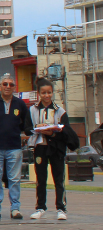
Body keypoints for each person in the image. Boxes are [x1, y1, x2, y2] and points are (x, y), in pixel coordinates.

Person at [0, 73, 32, 220]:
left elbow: (25, 122)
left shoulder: (20, 104)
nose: (8, 87)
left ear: (14, 87)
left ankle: (15, 208)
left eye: (11, 84)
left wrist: (15, 130)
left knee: (14, 179)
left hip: (14, 146)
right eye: (5, 84)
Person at [28, 78, 73, 221]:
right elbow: (27, 128)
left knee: (58, 179)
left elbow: (66, 131)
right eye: (43, 93)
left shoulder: (60, 111)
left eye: (49, 92)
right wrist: (37, 127)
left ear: (52, 93)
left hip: (56, 148)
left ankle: (61, 208)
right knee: (41, 179)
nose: (46, 95)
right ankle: (40, 207)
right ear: (39, 93)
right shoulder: (33, 110)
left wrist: (53, 132)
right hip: (40, 146)